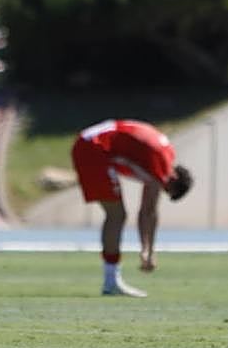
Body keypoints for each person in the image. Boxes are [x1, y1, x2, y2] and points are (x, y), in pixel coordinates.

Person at [71, 119, 193, 298]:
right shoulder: (163, 165)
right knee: (116, 215)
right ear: (173, 177)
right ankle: (111, 281)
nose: (160, 189)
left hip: (91, 143)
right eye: (165, 188)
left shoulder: (163, 154)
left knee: (116, 214)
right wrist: (148, 252)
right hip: (94, 148)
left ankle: (111, 280)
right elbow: (148, 211)